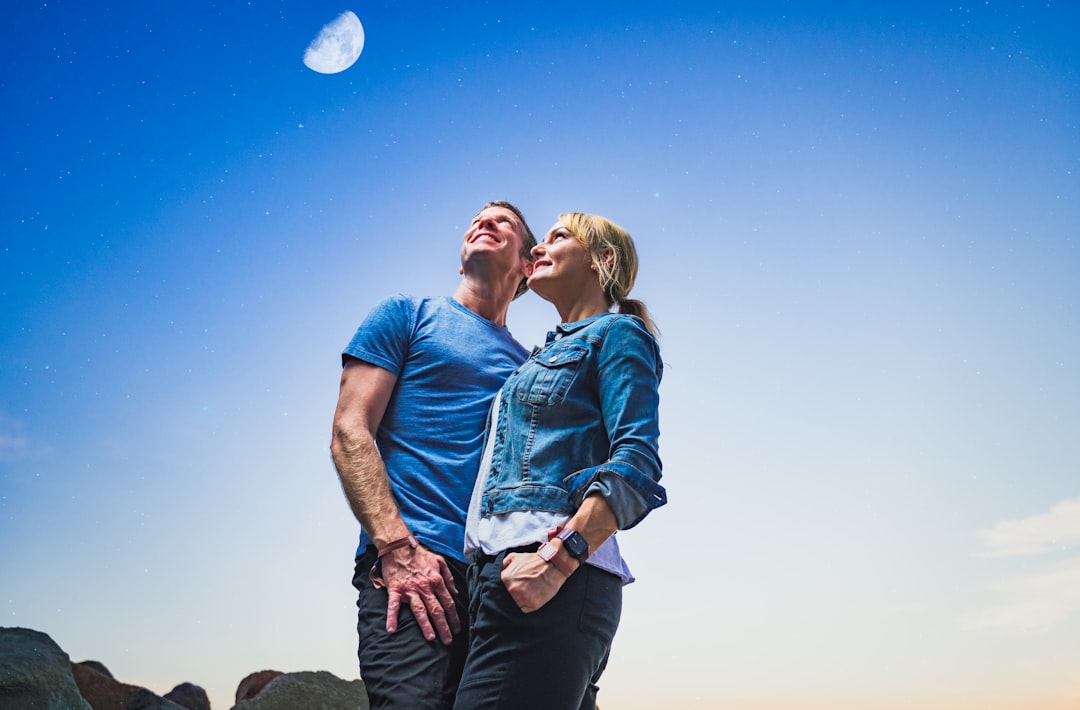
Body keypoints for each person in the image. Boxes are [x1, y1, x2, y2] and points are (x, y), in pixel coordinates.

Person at [454, 212, 667, 709]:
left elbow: (636, 462)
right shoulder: (535, 359)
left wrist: (558, 559)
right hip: (496, 575)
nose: (537, 248)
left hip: (553, 575)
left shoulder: (618, 335)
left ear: (601, 259)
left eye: (558, 237)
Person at [330, 201, 536, 710]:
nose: (484, 223)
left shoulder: (534, 368)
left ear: (530, 265)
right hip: (412, 565)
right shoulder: (407, 314)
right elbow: (349, 430)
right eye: (477, 220)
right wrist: (396, 547)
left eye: (503, 223)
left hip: (496, 582)